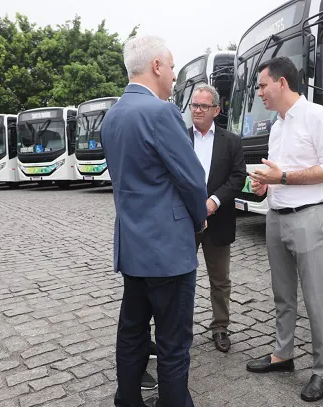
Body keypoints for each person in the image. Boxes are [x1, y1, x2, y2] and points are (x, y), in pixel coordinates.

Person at [101, 35, 208, 407]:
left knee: (132, 330)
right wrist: (199, 221)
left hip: (132, 246)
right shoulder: (161, 112)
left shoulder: (112, 116)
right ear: (157, 66)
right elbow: (193, 179)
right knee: (173, 340)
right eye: (173, 67)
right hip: (168, 250)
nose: (175, 75)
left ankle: (127, 399)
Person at [244, 56, 323, 402]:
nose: (259, 93)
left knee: (317, 298)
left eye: (262, 85)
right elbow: (279, 173)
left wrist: (283, 177)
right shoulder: (276, 126)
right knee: (282, 295)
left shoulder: (317, 116)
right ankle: (283, 355)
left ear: (282, 83)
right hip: (277, 216)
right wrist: (267, 186)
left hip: (309, 217)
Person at [187, 84, 247, 352]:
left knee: (220, 279)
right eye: (194, 106)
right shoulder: (179, 137)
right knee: (181, 277)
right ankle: (179, 327)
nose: (197, 110)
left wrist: (213, 202)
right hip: (184, 221)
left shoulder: (231, 141)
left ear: (216, 110)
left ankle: (220, 327)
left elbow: (238, 177)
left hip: (218, 220)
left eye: (203, 106)